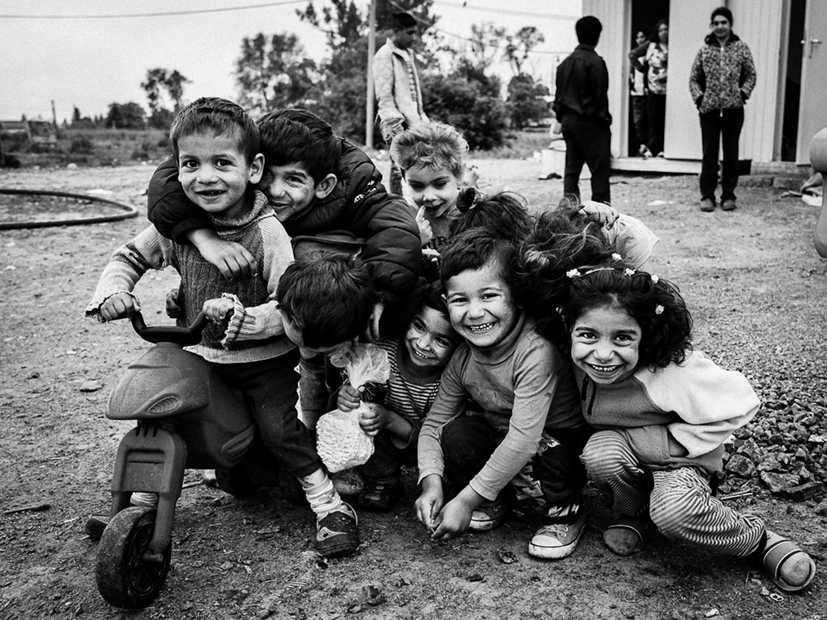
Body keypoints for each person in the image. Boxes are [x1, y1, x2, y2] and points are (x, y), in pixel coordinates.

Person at [85, 98, 360, 559]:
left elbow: (288, 300)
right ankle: (142, 506)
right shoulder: (177, 227)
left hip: (261, 361)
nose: (206, 177)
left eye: (222, 163)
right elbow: (128, 257)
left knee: (278, 429)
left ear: (253, 169)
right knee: (161, 414)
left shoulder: (266, 232)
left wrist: (250, 319)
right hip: (199, 354)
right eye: (191, 164)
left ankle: (328, 503)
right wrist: (114, 291)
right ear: (177, 167)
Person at [146, 107, 423, 427]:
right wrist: (204, 239)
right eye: (268, 175)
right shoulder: (232, 155)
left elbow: (396, 231)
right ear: (254, 166)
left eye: (292, 179)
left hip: (328, 298)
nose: (275, 191)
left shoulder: (354, 185)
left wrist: (378, 293)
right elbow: (167, 182)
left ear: (324, 186)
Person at [555, 260, 816, 593]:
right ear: (569, 329)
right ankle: (635, 514)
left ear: (645, 334)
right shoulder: (576, 364)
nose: (603, 354)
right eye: (588, 335)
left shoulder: (671, 370)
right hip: (627, 455)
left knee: (675, 512)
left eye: (623, 337)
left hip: (681, 463)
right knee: (599, 452)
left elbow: (742, 400)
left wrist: (675, 443)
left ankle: (756, 540)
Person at [415, 228, 591, 560]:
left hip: (551, 442)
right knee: (457, 435)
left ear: (517, 296)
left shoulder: (535, 350)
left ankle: (566, 514)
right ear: (447, 303)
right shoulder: (463, 357)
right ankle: (496, 499)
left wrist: (465, 500)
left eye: (488, 296)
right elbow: (434, 424)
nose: (474, 312)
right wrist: (431, 482)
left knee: (553, 457)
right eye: (460, 300)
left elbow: (524, 440)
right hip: (505, 437)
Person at [336, 281, 462, 511]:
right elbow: (366, 390)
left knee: (454, 439)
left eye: (441, 340)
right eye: (419, 327)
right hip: (387, 438)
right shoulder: (386, 353)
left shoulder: (452, 376)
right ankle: (383, 477)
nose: (423, 343)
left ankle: (444, 484)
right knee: (365, 419)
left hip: (430, 443)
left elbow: (436, 432)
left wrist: (390, 420)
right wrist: (351, 395)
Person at [690, 7, 757, 212]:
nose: (720, 27)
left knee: (731, 153)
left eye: (723, 22)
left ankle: (728, 195)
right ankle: (707, 196)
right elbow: (694, 78)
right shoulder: (704, 51)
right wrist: (700, 98)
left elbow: (751, 75)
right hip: (709, 111)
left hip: (733, 111)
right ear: (712, 26)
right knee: (709, 154)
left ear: (730, 24)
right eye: (716, 23)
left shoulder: (741, 48)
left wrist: (742, 94)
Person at [553, 16, 612, 204]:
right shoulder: (596, 63)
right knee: (599, 171)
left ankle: (569, 213)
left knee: (572, 170)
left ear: (577, 34)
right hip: (591, 122)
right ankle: (601, 214)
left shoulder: (564, 65)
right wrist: (605, 123)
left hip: (569, 122)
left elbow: (558, 99)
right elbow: (600, 99)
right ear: (597, 36)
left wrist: (563, 119)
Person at [390, 121, 470, 255]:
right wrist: (414, 242)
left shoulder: (475, 210)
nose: (429, 197)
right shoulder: (404, 217)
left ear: (459, 175)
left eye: (439, 184)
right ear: (404, 180)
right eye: (417, 186)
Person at [373, 11, 429, 196]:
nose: (413, 37)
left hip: (414, 120)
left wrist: (421, 119)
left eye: (414, 33)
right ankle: (398, 203)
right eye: (410, 33)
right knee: (399, 166)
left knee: (417, 163)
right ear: (396, 31)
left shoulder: (406, 54)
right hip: (396, 121)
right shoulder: (384, 54)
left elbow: (412, 94)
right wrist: (395, 126)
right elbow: (384, 96)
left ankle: (413, 201)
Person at [639, 20, 668, 158]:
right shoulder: (651, 46)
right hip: (653, 87)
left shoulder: (673, 45)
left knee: (664, 119)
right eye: (661, 30)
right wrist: (640, 69)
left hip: (668, 89)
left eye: (666, 29)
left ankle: (663, 148)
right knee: (653, 119)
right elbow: (634, 55)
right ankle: (652, 147)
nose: (664, 33)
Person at [628, 28, 651, 158]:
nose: (640, 40)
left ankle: (649, 146)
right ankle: (641, 145)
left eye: (642, 37)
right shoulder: (633, 56)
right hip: (636, 91)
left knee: (648, 119)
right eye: (637, 37)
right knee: (638, 120)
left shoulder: (650, 54)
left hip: (648, 91)